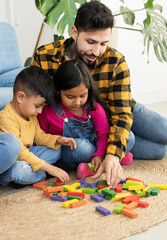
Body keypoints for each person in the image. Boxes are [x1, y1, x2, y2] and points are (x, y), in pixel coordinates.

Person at [31, 1, 167, 188]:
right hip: (77, 123)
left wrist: (112, 155)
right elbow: (38, 105)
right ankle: (124, 142)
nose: (97, 51)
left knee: (163, 132)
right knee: (156, 150)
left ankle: (118, 142)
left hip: (114, 111)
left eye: (104, 43)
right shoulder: (45, 56)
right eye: (91, 42)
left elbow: (121, 114)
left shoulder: (115, 61)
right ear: (74, 32)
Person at [38, 60, 133, 180]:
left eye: (82, 96)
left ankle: (95, 165)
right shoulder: (48, 111)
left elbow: (103, 134)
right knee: (83, 148)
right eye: (70, 97)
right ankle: (114, 159)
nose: (77, 102)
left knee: (129, 136)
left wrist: (99, 154)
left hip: (92, 145)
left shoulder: (93, 107)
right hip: (69, 151)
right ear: (58, 90)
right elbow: (40, 137)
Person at [0, 66, 76, 187]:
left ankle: (29, 175)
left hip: (26, 157)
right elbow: (19, 152)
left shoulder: (30, 115)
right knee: (18, 170)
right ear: (20, 97)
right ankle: (40, 174)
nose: (40, 111)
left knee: (55, 150)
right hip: (12, 163)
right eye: (37, 106)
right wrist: (50, 169)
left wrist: (58, 139)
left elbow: (39, 136)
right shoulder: (6, 117)